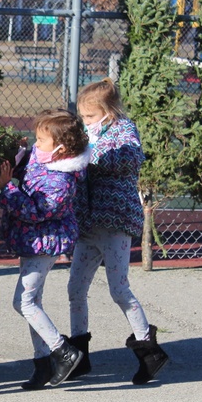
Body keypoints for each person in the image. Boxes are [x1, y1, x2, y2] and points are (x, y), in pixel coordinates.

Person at [67, 78, 169, 385]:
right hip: (89, 224)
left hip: (115, 222)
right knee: (75, 288)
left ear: (108, 111)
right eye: (82, 116)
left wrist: (90, 157)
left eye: (90, 116)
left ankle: (150, 353)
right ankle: (79, 355)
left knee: (118, 289)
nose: (85, 122)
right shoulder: (85, 133)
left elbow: (129, 158)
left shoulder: (125, 131)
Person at [0, 109, 90, 390]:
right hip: (31, 241)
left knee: (23, 302)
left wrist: (6, 188)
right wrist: (18, 157)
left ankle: (64, 351)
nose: (36, 145)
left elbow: (35, 212)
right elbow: (28, 165)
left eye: (41, 140)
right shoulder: (41, 156)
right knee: (31, 303)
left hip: (44, 244)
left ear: (62, 149)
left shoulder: (62, 181)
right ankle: (42, 365)